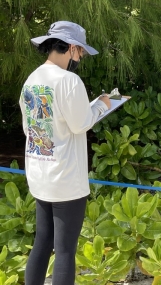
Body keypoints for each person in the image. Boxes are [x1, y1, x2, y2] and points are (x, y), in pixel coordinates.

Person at [19, 21, 111, 285]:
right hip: (66, 178)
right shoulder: (69, 81)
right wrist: (102, 106)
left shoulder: (32, 79)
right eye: (80, 52)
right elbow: (80, 123)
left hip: (39, 173)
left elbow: (31, 127)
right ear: (71, 48)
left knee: (42, 243)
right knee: (66, 251)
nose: (80, 57)